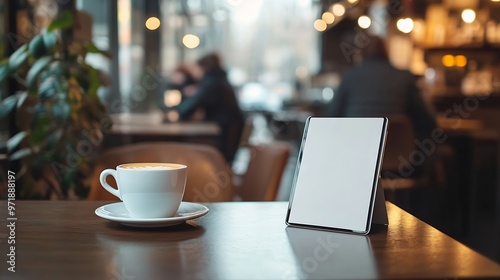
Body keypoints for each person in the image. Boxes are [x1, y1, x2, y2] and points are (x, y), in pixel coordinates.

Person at [325, 35, 437, 142]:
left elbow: (332, 116)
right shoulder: (404, 77)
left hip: (355, 148)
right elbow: (427, 120)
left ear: (360, 54)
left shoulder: (349, 76)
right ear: (386, 51)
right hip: (397, 151)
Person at [175, 53, 245, 164]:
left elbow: (185, 109)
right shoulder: (219, 80)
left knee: (182, 147)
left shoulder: (212, 83)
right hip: (228, 135)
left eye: (196, 68)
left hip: (222, 139)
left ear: (202, 68)